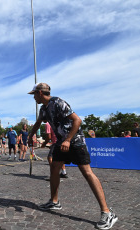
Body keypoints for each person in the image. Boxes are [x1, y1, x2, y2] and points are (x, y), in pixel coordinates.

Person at [28, 83, 118, 229]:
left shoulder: (58, 102)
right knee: (54, 169)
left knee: (87, 172)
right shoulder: (43, 109)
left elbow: (77, 120)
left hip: (75, 141)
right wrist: (31, 135)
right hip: (61, 143)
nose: (33, 98)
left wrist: (68, 140)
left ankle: (107, 213)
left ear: (39, 93)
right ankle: (54, 202)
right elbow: (38, 123)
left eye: (34, 95)